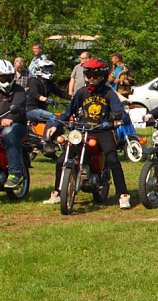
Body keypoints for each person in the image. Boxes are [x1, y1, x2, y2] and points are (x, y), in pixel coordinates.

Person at [44, 58, 132, 208]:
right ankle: (57, 193)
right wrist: (55, 125)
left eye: (94, 75)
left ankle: (123, 195)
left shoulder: (109, 93)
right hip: (83, 130)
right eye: (88, 75)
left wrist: (115, 120)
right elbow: (68, 112)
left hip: (103, 130)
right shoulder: (82, 92)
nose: (91, 78)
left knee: (112, 159)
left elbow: (120, 112)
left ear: (102, 76)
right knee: (62, 160)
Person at [0, 59, 28, 189]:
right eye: (3, 78)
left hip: (17, 125)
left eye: (9, 77)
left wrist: (10, 118)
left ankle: (15, 173)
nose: (6, 81)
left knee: (8, 132)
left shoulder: (19, 90)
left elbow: (19, 107)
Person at [26, 58, 70, 124]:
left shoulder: (48, 83)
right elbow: (34, 93)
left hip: (42, 109)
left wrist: (73, 97)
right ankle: (49, 131)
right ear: (39, 69)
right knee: (54, 118)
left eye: (50, 69)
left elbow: (60, 93)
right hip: (32, 110)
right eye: (46, 69)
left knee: (62, 117)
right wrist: (47, 100)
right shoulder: (33, 81)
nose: (49, 71)